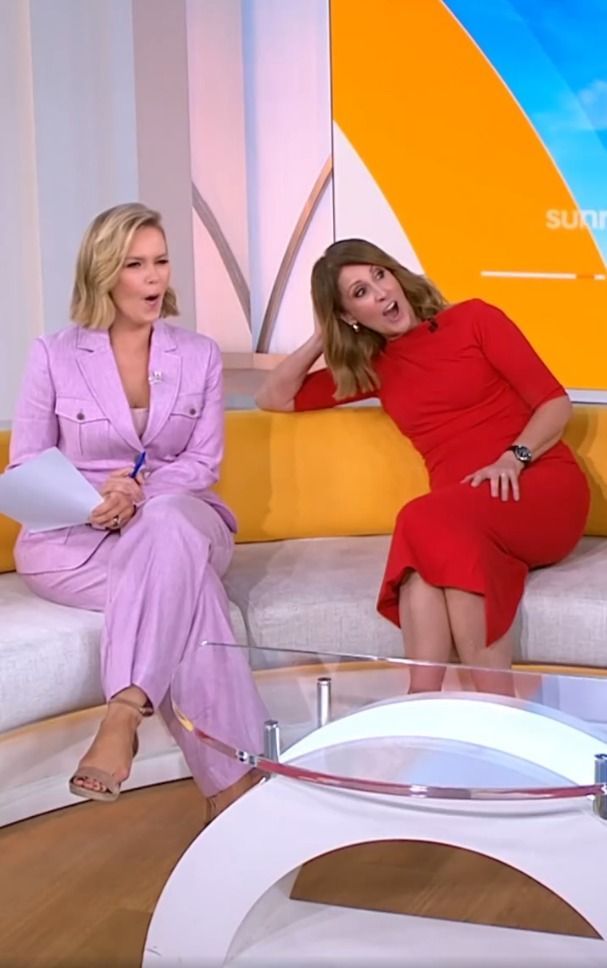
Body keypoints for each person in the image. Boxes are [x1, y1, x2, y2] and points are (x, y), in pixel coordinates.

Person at [9, 203, 265, 809]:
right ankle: (236, 795)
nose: (154, 278)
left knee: (168, 524)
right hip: (75, 542)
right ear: (103, 272)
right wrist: (91, 500)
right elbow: (26, 464)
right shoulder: (53, 354)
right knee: (191, 596)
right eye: (134, 264)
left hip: (180, 517)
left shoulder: (198, 354)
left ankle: (124, 710)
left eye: (161, 261)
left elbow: (203, 461)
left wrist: (138, 492)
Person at [255, 239, 590, 691]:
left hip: (535, 484)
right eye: (360, 293)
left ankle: (486, 706)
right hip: (461, 514)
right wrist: (322, 335)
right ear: (350, 316)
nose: (380, 292)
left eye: (379, 275)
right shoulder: (374, 367)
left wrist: (514, 458)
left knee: (421, 520)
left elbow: (554, 403)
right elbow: (273, 397)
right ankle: (427, 704)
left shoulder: (474, 319)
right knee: (429, 559)